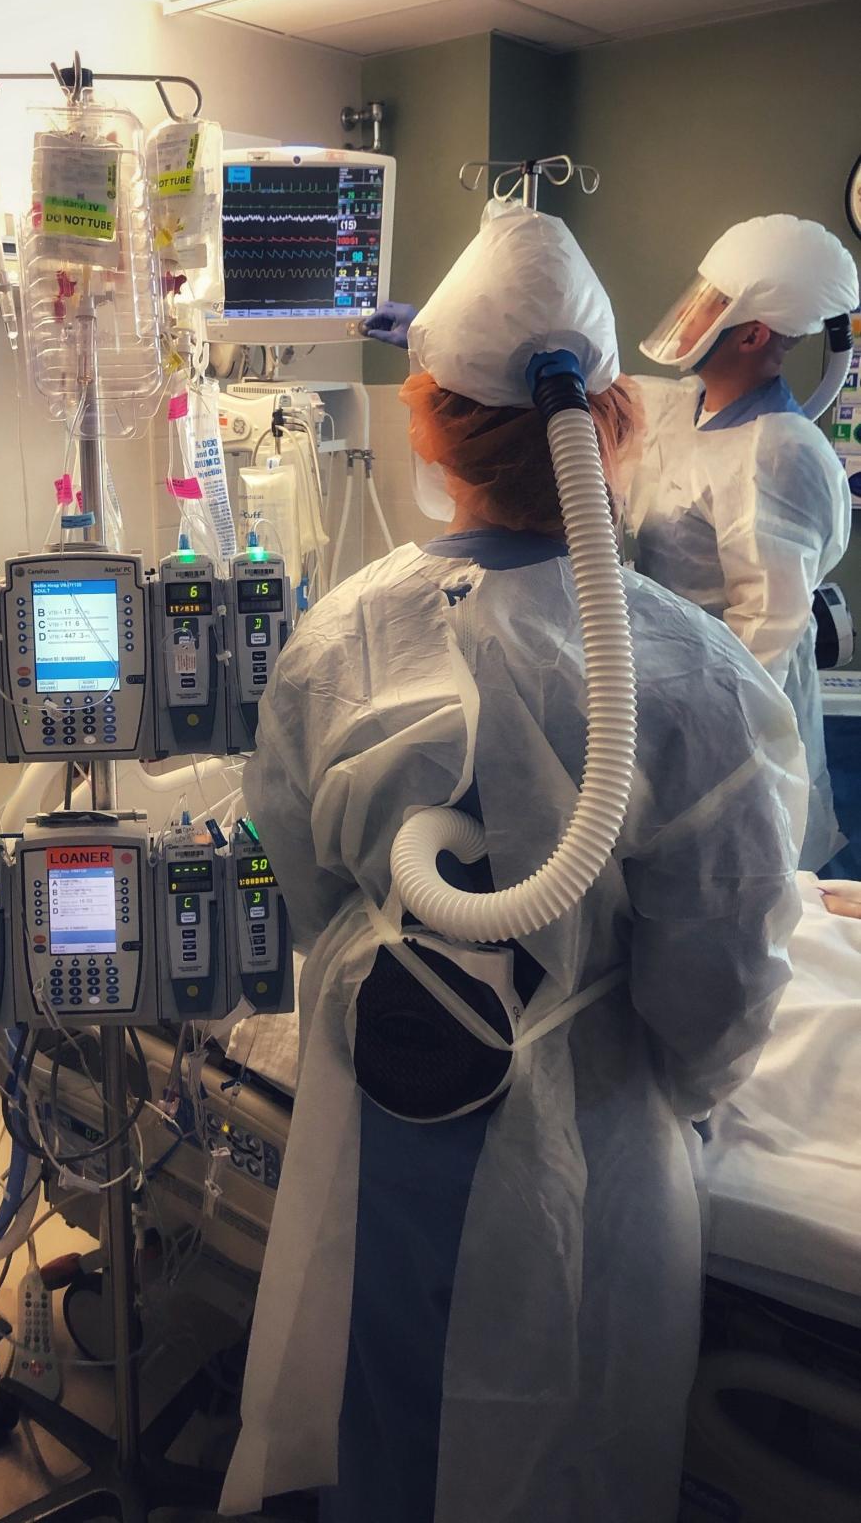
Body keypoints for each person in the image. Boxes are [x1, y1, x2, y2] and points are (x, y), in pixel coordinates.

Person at [220, 200, 808, 1523]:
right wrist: (689, 1096)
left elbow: (299, 895)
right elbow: (719, 974)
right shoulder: (689, 673)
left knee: (388, 1431)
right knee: (562, 1443)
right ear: (612, 418)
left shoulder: (338, 637)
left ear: (426, 423)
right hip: (588, 1149)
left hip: (382, 1120)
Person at [626, 215, 857, 871]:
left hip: (732, 743)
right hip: (671, 701)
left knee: (737, 910)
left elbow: (766, 650)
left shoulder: (779, 454)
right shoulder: (682, 407)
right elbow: (582, 395)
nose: (689, 318)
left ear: (754, 333)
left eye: (709, 308)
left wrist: (711, 772)